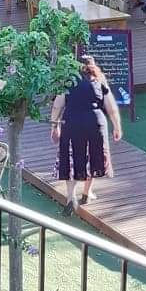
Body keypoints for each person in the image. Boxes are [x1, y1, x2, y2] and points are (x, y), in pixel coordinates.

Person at [50, 56, 123, 212]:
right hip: (95, 122)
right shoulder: (99, 80)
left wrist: (54, 126)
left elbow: (57, 106)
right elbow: (111, 107)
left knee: (71, 158)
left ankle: (71, 197)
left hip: (72, 122)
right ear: (93, 66)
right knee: (92, 156)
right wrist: (117, 127)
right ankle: (86, 192)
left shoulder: (68, 81)